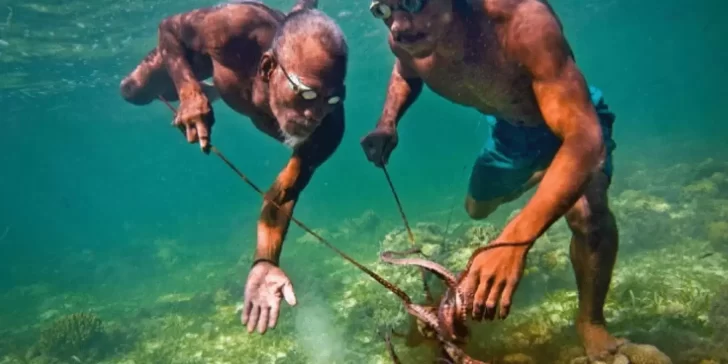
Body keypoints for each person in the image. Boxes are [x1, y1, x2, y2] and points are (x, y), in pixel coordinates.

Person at [360, 0, 667, 361]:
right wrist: (387, 123)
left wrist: (515, 240)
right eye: (382, 10)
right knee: (476, 209)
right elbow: (405, 73)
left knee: (588, 215)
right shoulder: (407, 38)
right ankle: (545, 178)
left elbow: (585, 140)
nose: (397, 24)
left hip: (570, 122)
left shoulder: (522, 22)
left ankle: (591, 322)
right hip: (510, 132)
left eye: (411, 2)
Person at [119, 0, 348, 335]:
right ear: (269, 69)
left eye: (331, 99)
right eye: (307, 94)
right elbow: (169, 28)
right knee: (133, 91)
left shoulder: (327, 129)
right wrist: (189, 91)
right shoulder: (234, 29)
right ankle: (214, 85)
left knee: (299, 21)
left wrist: (265, 260)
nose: (314, 115)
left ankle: (302, 12)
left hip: (266, 56)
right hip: (221, 59)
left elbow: (284, 194)